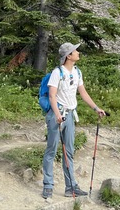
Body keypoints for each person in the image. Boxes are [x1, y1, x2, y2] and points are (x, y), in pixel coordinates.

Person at [42, 42, 106, 199]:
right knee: (52, 150)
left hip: (70, 115)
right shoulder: (57, 72)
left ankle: (70, 187)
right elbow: (52, 96)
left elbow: (83, 93)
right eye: (75, 51)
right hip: (57, 115)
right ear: (68, 56)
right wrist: (57, 114)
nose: (78, 52)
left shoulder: (77, 72)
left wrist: (96, 108)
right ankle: (48, 186)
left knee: (68, 151)